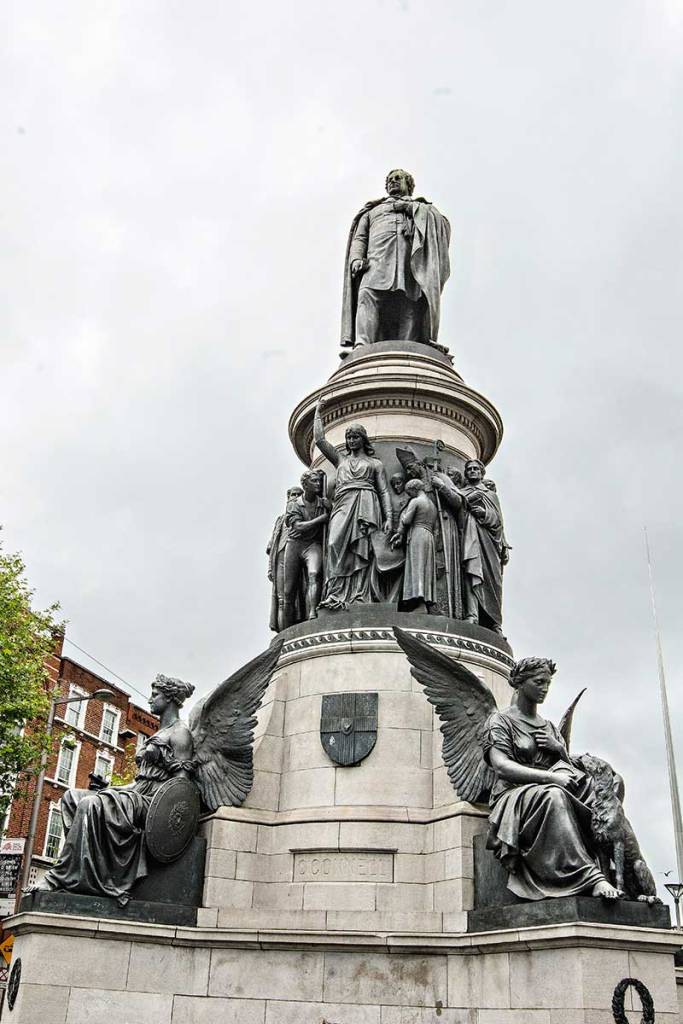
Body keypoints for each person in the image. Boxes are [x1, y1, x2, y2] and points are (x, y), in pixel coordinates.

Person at [38, 675, 195, 906]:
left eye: (155, 695)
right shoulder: (159, 733)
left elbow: (181, 788)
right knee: (72, 797)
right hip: (136, 793)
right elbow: (139, 780)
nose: (150, 699)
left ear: (170, 698)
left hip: (153, 802)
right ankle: (88, 872)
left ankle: (59, 877)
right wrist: (110, 790)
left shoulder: (180, 733)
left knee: (91, 804)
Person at [483, 657, 619, 901]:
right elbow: (502, 767)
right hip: (514, 795)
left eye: (548, 683)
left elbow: (565, 767)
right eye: (539, 682)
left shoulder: (548, 726)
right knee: (553, 796)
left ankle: (618, 874)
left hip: (547, 787)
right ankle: (590, 877)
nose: (545, 688)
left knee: (601, 788)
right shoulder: (500, 721)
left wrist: (559, 749)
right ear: (520, 683)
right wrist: (549, 779)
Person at [341, 169, 451, 348]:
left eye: (398, 178)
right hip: (376, 264)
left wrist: (411, 209)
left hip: (410, 265)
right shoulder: (372, 211)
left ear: (409, 185)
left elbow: (442, 227)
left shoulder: (422, 208)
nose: (393, 181)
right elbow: (360, 238)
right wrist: (355, 259)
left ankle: (409, 346)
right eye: (390, 179)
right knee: (367, 296)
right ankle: (362, 344)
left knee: (411, 305)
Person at [314, 399, 392, 610]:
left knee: (363, 548)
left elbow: (384, 491)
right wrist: (318, 412)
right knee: (333, 543)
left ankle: (360, 595)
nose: (351, 440)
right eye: (348, 437)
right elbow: (320, 441)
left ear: (363, 439)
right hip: (342, 504)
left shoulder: (375, 464)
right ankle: (336, 593)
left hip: (366, 503)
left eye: (355, 436)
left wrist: (389, 518)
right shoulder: (340, 460)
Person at [459, 458, 510, 633]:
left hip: (489, 541)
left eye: (476, 469)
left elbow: (499, 522)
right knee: (471, 572)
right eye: (469, 469)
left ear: (482, 473)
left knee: (492, 580)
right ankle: (472, 615)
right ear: (466, 473)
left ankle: (495, 622)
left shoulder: (490, 495)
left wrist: (485, 513)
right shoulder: (462, 492)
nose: (473, 471)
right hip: (469, 536)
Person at [282, 470, 330, 627]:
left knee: (314, 574)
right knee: (288, 592)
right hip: (294, 545)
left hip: (312, 545)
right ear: (305, 484)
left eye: (318, 481)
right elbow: (299, 526)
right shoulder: (294, 504)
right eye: (314, 481)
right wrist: (321, 519)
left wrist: (330, 508)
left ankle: (312, 613)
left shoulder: (322, 503)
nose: (318, 484)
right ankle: (286, 629)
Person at [390, 479, 438, 612]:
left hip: (417, 534)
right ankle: (426, 601)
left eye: (409, 492)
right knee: (425, 569)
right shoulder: (433, 505)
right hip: (429, 536)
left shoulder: (415, 501)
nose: (409, 495)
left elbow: (407, 520)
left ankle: (419, 602)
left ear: (414, 489)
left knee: (417, 567)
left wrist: (402, 514)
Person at [267, 485, 303, 631]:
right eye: (292, 495)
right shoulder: (280, 520)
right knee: (282, 599)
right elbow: (272, 547)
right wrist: (270, 568)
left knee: (296, 598)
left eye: (297, 495)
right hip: (281, 558)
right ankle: (284, 633)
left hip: (297, 558)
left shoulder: (304, 516)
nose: (294, 497)